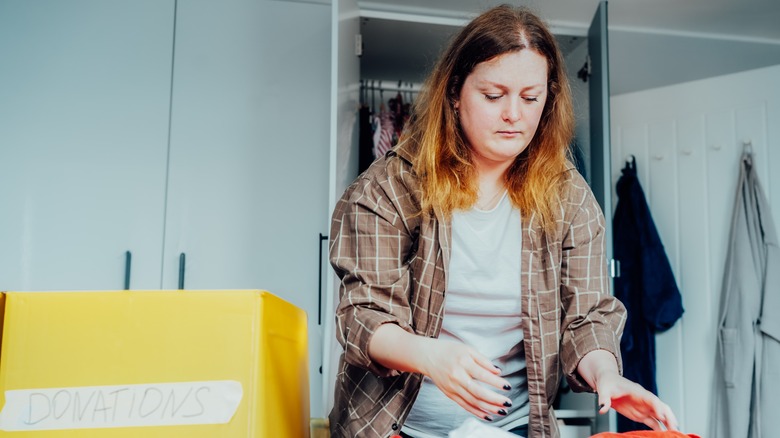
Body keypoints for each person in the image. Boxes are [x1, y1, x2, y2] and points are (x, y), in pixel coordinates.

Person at [328, 5, 678, 438]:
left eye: (531, 98)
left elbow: (585, 318)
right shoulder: (390, 185)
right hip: (393, 425)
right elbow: (363, 314)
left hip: (512, 429)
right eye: (494, 96)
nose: (514, 113)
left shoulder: (569, 196)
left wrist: (607, 374)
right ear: (455, 94)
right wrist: (430, 356)